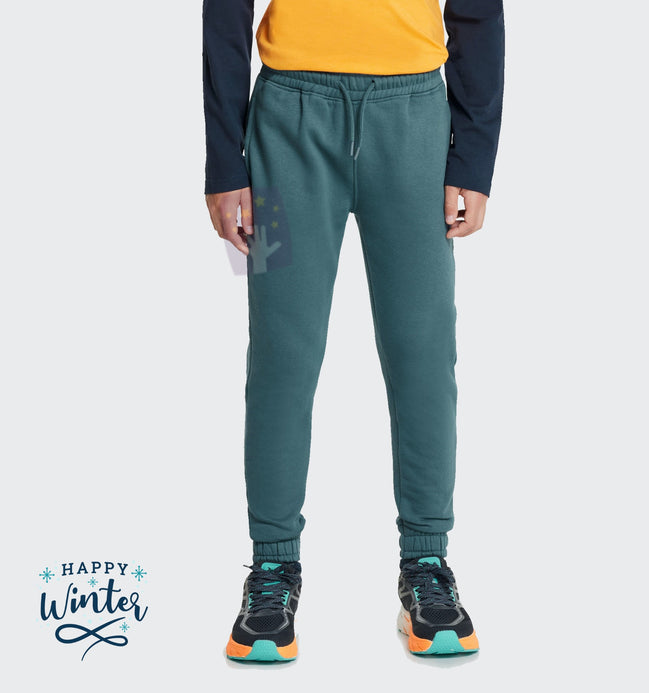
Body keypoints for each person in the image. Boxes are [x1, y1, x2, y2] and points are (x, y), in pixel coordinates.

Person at [203, 0, 504, 661]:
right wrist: (225, 160)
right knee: (281, 352)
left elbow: (477, 7)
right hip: (283, 125)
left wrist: (473, 155)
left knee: (423, 349)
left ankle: (426, 561)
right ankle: (272, 566)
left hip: (415, 122)